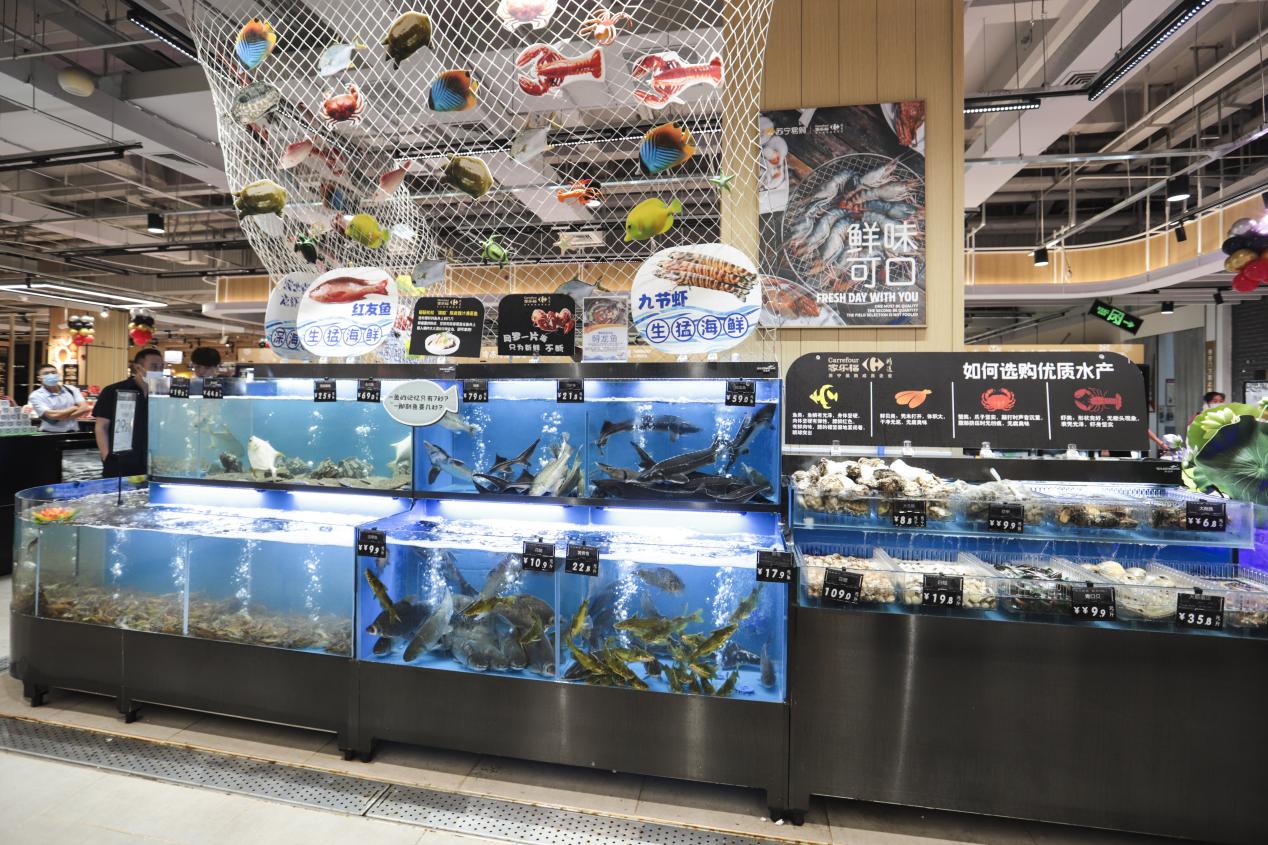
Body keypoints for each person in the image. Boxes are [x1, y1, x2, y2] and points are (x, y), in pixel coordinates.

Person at [95, 347, 163, 478]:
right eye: (154, 367)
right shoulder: (113, 391)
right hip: (121, 462)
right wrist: (106, 456)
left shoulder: (162, 394)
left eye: (162, 367)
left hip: (153, 462)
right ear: (138, 367)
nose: (159, 371)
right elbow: (101, 427)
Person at [27, 363, 89, 433]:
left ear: (58, 375)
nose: (51, 375)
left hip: (74, 432)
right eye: (46, 373)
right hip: (50, 433)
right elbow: (53, 415)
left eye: (53, 372)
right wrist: (73, 408)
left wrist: (59, 417)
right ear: (39, 378)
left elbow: (84, 408)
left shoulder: (71, 389)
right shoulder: (36, 395)